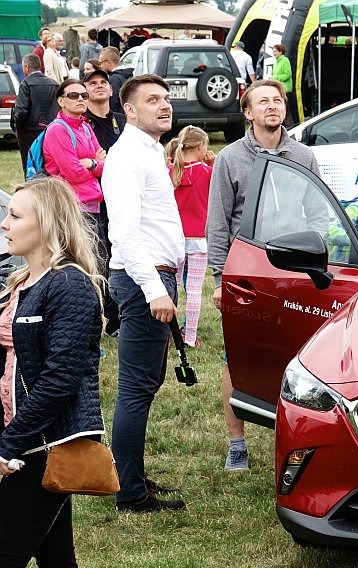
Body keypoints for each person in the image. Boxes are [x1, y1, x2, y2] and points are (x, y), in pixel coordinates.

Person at [0, 176, 105, 568]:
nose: (5, 223)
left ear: (48, 224)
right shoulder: (21, 281)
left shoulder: (69, 285)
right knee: (57, 560)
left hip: (40, 445)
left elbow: (62, 378)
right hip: (19, 437)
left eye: (16, 215)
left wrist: (9, 444)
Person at [207, 79, 320, 471]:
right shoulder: (230, 159)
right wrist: (220, 279)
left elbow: (319, 212)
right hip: (247, 274)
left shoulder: (303, 156)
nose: (272, 106)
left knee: (300, 360)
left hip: (295, 272)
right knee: (237, 357)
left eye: (277, 100)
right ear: (248, 112)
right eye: (263, 102)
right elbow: (218, 223)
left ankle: (294, 440)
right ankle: (237, 442)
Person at [101, 75, 187, 512]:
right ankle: (130, 492)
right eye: (153, 100)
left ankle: (132, 475)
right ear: (129, 110)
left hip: (155, 276)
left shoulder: (149, 151)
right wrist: (154, 289)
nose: (164, 106)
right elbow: (125, 233)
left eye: (167, 99)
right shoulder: (127, 157)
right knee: (136, 387)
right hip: (143, 280)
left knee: (146, 384)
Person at [83, 68, 127, 336]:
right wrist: (100, 162)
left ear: (111, 90)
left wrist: (103, 160)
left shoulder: (123, 121)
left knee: (122, 253)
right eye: (93, 83)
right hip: (96, 201)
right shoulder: (83, 123)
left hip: (122, 196)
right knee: (101, 258)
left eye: (103, 82)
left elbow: (121, 159)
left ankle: (122, 313)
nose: (99, 86)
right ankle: (108, 317)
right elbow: (87, 161)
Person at [168, 126, 213, 348]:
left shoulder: (169, 171)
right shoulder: (206, 172)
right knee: (194, 289)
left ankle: (171, 333)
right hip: (198, 239)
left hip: (173, 238)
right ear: (200, 147)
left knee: (172, 286)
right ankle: (190, 336)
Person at [42, 79, 106, 219]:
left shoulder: (85, 127)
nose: (80, 99)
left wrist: (91, 163)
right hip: (71, 206)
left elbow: (106, 167)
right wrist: (96, 164)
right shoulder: (57, 130)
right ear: (61, 101)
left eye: (84, 96)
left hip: (93, 202)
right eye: (73, 95)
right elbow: (73, 173)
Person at [10, 54, 58, 175]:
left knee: (30, 164)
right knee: (49, 164)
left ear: (26, 67)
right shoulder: (54, 83)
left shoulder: (26, 84)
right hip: (51, 129)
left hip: (29, 131)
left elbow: (21, 110)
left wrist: (18, 127)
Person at [99, 47, 136, 113]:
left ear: (108, 62)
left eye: (100, 63)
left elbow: (113, 104)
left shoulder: (114, 79)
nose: (100, 66)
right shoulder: (128, 76)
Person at [271, 44, 295, 126]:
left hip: (285, 89)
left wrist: (275, 78)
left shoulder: (285, 60)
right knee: (282, 108)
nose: (274, 53)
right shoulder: (275, 62)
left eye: (275, 51)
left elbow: (288, 74)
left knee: (286, 109)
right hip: (278, 89)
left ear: (281, 52)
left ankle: (290, 126)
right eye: (273, 51)